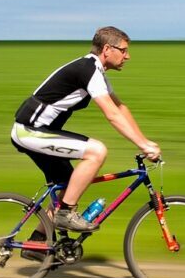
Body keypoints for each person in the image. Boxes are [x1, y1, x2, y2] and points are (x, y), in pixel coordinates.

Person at [11, 26, 161, 242]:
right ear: (107, 49)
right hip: (29, 131)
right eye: (124, 50)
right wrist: (143, 146)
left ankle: (36, 242)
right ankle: (65, 214)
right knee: (97, 152)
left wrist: (145, 141)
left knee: (70, 186)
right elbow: (111, 115)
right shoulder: (89, 70)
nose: (128, 56)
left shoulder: (96, 71)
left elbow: (121, 109)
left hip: (40, 132)